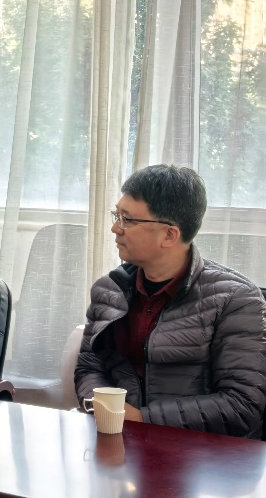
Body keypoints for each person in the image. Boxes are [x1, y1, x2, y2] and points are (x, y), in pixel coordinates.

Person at [75, 164, 266, 439]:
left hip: (205, 455)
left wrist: (143, 418)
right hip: (121, 439)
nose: (115, 228)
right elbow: (89, 366)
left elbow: (242, 405)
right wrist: (104, 408)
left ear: (169, 235)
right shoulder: (109, 289)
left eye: (127, 219)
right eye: (117, 215)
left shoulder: (236, 299)